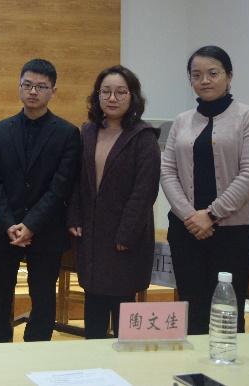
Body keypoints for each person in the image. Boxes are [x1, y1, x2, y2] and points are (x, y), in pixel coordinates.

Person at [161, 45, 249, 335]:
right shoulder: (182, 121)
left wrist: (210, 215)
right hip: (186, 230)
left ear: (229, 76)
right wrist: (190, 216)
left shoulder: (248, 117)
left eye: (213, 73)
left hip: (232, 232)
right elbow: (167, 172)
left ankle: (226, 362)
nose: (204, 80)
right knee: (191, 308)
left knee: (227, 311)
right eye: (197, 75)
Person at [0, 58, 80, 343]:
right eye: (27, 85)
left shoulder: (67, 133)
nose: (33, 92)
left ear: (53, 91)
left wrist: (31, 225)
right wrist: (9, 224)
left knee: (43, 296)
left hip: (46, 229)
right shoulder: (0, 130)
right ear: (19, 87)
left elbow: (60, 187)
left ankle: (37, 352)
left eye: (41, 86)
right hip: (5, 228)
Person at [67, 65, 161, 338]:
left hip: (124, 238)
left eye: (120, 92)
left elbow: (144, 191)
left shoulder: (144, 137)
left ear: (133, 97)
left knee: (122, 309)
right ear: (97, 95)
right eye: (105, 91)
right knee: (94, 303)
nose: (112, 98)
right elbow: (76, 180)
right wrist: (73, 216)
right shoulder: (88, 132)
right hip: (91, 234)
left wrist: (127, 233)